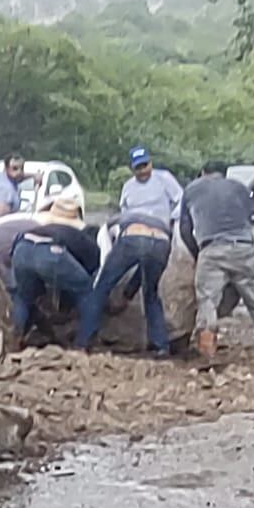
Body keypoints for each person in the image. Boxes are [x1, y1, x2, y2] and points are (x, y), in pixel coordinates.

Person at [179, 162, 254, 362]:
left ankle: (208, 355)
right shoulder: (240, 188)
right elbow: (247, 216)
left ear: (202, 173)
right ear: (225, 173)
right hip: (243, 247)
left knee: (207, 302)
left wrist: (198, 254)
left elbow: (185, 229)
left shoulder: (191, 189)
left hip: (212, 248)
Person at [92, 146, 183, 356]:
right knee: (116, 284)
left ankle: (159, 344)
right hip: (135, 236)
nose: (142, 171)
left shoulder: (164, 179)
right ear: (132, 169)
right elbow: (123, 213)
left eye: (145, 166)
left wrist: (171, 221)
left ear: (151, 163)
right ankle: (157, 342)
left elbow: (180, 201)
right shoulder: (128, 187)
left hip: (157, 236)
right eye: (138, 168)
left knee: (148, 290)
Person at [7, 189, 101, 345]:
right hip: (51, 251)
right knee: (88, 293)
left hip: (22, 247)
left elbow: (13, 252)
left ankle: (15, 337)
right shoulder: (80, 236)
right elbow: (91, 268)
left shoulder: (41, 228)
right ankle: (83, 343)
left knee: (23, 296)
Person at [0, 152, 30, 229]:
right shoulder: (5, 189)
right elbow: (3, 219)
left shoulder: (3, 179)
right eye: (15, 168)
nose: (19, 172)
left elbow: (20, 176)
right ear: (6, 168)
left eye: (22, 168)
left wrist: (34, 176)